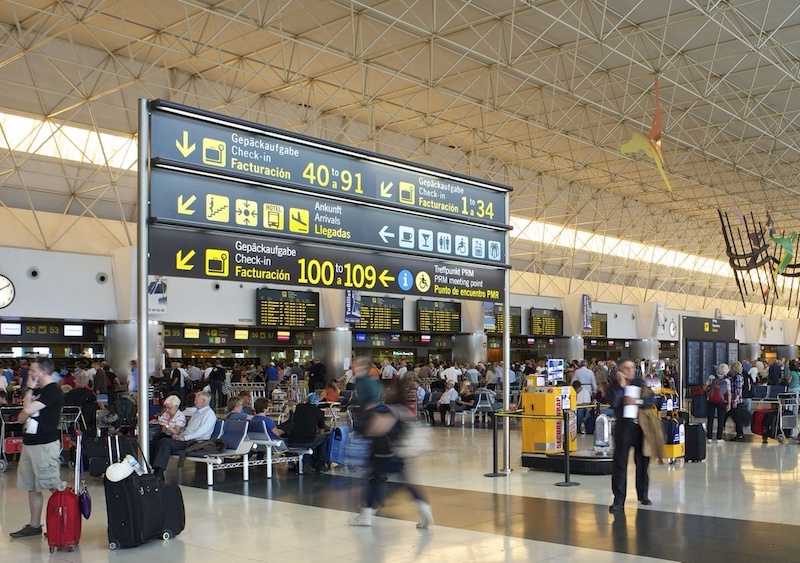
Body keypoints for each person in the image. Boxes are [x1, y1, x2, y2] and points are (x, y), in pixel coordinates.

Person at [350, 379, 433, 528]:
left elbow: (373, 429)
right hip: (398, 453)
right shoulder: (404, 410)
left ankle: (366, 516)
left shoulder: (385, 410)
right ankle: (424, 508)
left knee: (374, 480)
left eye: (387, 388)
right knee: (407, 483)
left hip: (382, 454)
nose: (384, 391)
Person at [10, 358, 65, 539]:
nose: (29, 373)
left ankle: (65, 522)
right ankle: (34, 525)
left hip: (45, 445)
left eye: (33, 370)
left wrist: (30, 390)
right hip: (30, 444)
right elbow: (20, 417)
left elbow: (28, 409)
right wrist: (30, 395)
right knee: (32, 486)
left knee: (52, 484)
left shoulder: (53, 390)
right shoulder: (40, 391)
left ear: (42, 372)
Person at [608, 357, 654, 513]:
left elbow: (651, 400)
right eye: (627, 368)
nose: (631, 371)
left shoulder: (639, 383)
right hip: (623, 427)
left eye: (633, 368)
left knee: (642, 463)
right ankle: (619, 499)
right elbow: (613, 403)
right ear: (620, 371)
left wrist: (636, 401)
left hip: (640, 427)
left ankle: (643, 494)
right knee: (620, 464)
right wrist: (621, 387)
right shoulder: (614, 386)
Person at [152, 391, 217, 480]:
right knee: (161, 440)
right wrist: (180, 436)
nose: (194, 402)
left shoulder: (209, 414)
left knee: (165, 442)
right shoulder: (197, 413)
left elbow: (202, 431)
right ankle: (156, 470)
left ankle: (158, 473)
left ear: (204, 402)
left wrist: (184, 437)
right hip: (188, 439)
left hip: (196, 442)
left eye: (196, 400)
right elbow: (189, 429)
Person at [705, 363, 731, 443]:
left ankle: (709, 437)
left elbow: (704, 387)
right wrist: (729, 404)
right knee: (721, 419)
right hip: (722, 401)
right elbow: (729, 393)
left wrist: (708, 393)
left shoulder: (712, 377)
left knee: (710, 418)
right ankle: (719, 438)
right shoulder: (727, 380)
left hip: (711, 400)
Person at [727, 361, 746, 442]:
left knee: (737, 418)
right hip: (735, 400)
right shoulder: (735, 376)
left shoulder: (738, 377)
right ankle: (739, 434)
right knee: (736, 418)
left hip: (737, 401)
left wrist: (735, 400)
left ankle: (740, 434)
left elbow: (738, 389)